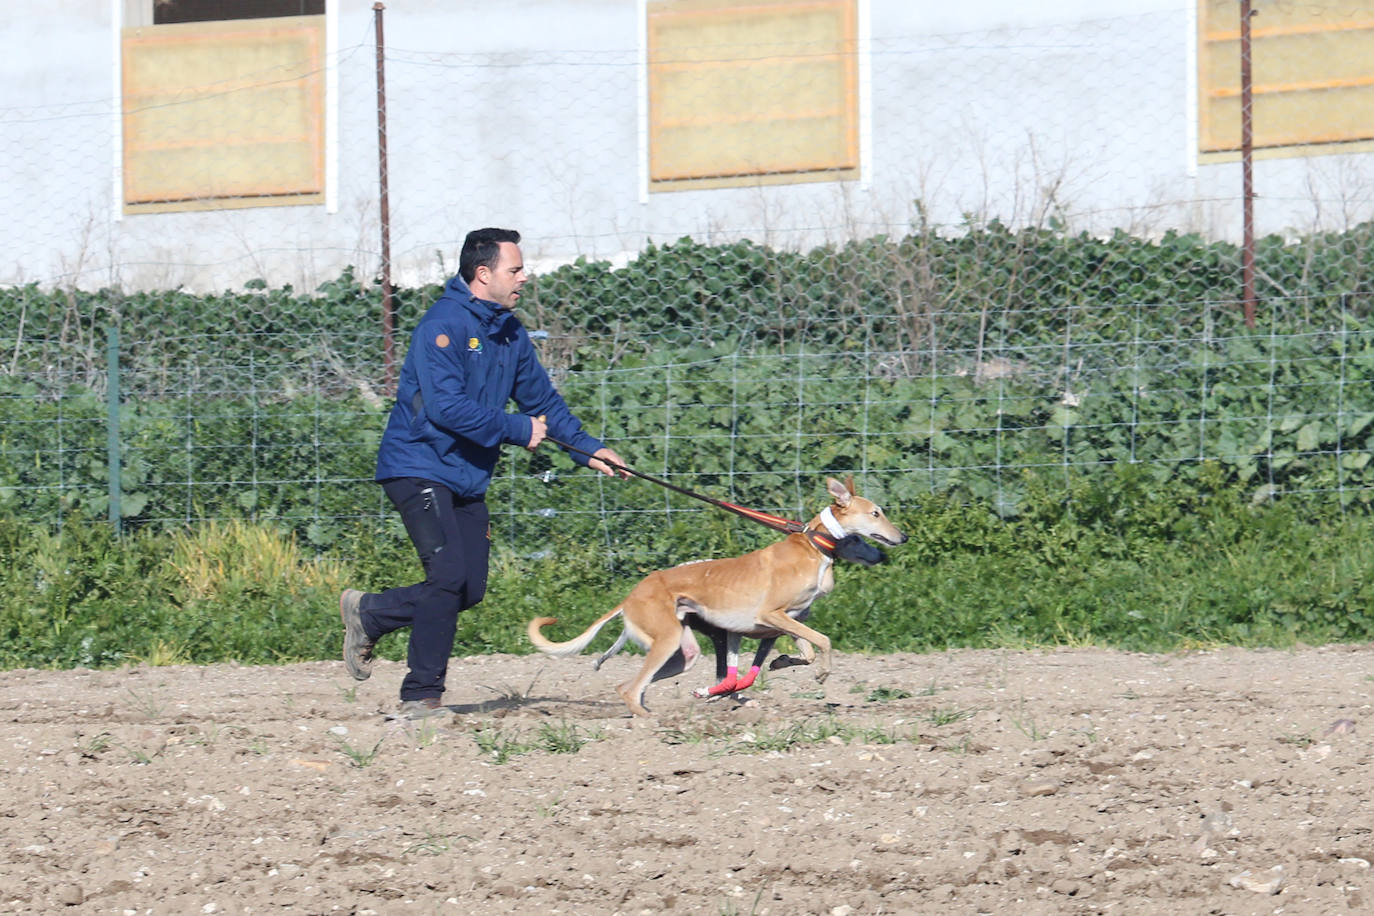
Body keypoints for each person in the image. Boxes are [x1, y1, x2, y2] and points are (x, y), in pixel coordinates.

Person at [339, 227, 628, 719]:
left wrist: (589, 449)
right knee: (448, 578)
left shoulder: (508, 332)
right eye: (515, 270)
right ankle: (420, 699)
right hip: (418, 465)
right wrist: (516, 429)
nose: (524, 278)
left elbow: (542, 402)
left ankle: (370, 613)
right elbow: (445, 409)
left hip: (466, 476)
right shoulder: (442, 325)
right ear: (483, 273)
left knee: (467, 589)